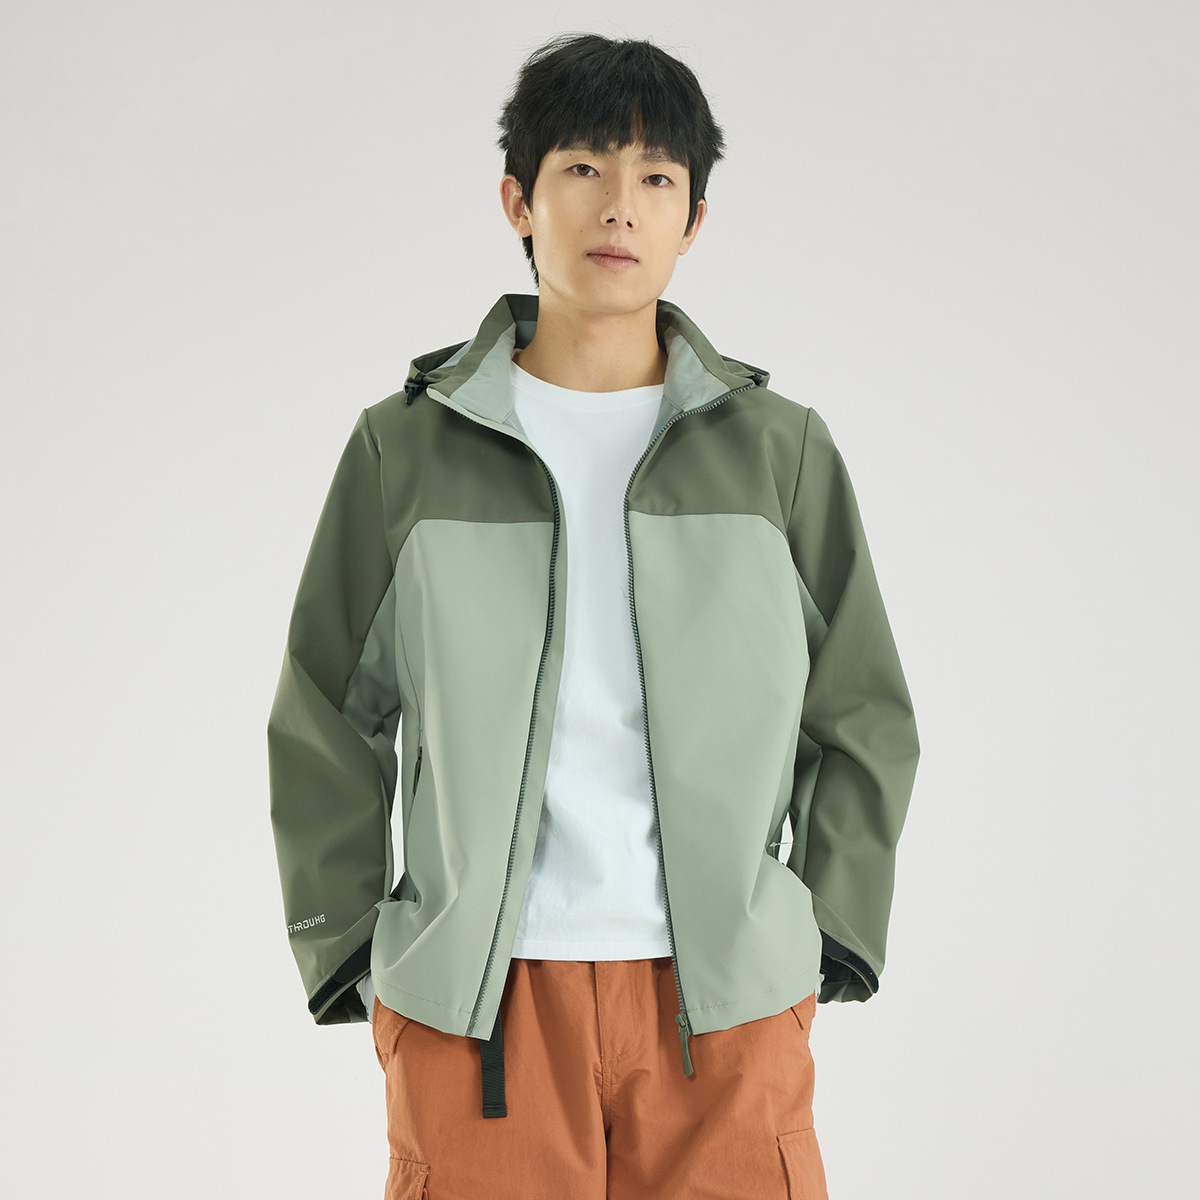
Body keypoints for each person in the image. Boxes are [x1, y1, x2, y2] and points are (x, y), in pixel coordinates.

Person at [267, 30, 919, 1200]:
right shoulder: (404, 449)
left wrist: (825, 935)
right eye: (584, 168)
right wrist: (355, 947)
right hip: (481, 1009)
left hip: (724, 1002)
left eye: (656, 177)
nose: (620, 205)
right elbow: (324, 708)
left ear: (693, 220)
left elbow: (861, 709)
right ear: (519, 199)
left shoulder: (780, 454)